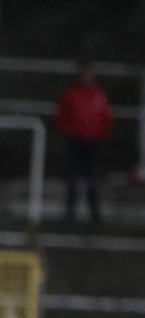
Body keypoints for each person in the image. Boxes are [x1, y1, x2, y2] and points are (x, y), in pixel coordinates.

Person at [56, 64, 112, 224]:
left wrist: (103, 135)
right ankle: (70, 211)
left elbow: (106, 117)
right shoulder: (71, 94)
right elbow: (61, 116)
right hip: (75, 140)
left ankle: (94, 211)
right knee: (73, 176)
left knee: (92, 178)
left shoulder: (98, 95)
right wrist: (69, 132)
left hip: (93, 141)